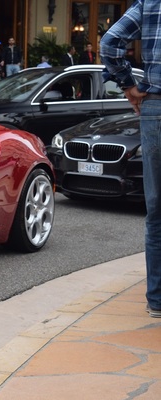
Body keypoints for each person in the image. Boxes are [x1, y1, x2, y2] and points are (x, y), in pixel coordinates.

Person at [100, 0, 161, 318]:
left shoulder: (150, 4)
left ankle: (157, 300)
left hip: (156, 107)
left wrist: (128, 86)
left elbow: (109, 42)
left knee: (156, 211)